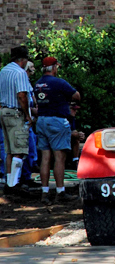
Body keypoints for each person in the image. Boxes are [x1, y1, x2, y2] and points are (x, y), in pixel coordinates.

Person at [34, 56, 81, 204]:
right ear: (54, 67)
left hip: (41, 121)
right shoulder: (59, 83)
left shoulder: (37, 84)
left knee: (45, 158)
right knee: (59, 157)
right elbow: (77, 95)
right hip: (56, 121)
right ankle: (60, 192)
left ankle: (45, 192)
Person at [0, 46, 32, 192]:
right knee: (19, 149)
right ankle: (13, 184)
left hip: (3, 110)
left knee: (9, 150)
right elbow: (22, 96)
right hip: (15, 113)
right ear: (23, 59)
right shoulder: (20, 73)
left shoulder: (3, 71)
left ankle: (9, 180)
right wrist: (28, 115)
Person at [19, 61, 40, 191]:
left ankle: (27, 176)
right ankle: (22, 178)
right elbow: (23, 100)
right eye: (31, 67)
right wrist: (31, 112)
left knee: (31, 147)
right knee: (26, 148)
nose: (33, 69)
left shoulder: (29, 83)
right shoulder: (21, 82)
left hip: (30, 121)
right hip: (24, 120)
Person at [68, 102, 85, 170]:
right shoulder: (62, 117)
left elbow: (73, 130)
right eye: (73, 109)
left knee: (76, 138)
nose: (75, 111)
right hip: (58, 139)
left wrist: (79, 134)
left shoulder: (72, 118)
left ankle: (75, 161)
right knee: (75, 136)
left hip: (67, 138)